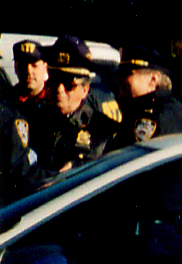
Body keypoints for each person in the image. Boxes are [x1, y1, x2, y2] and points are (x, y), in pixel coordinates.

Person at [38, 36, 122, 173]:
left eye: (68, 84)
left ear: (85, 90)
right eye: (54, 82)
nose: (59, 89)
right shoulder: (33, 118)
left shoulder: (103, 130)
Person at [117, 45, 182, 144]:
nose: (120, 81)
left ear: (153, 79)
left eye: (127, 74)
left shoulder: (159, 115)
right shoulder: (142, 109)